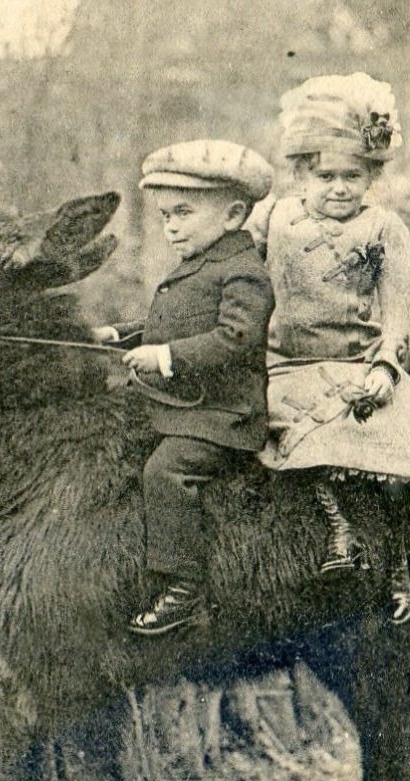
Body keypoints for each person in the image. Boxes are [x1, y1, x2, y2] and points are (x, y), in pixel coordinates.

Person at [248, 73, 410, 623]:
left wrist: (385, 367)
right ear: (301, 172)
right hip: (287, 364)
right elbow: (232, 281)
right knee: (293, 438)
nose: (340, 188)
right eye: (326, 176)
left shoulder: (382, 229)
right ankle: (336, 533)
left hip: (356, 363)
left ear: (371, 176)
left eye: (354, 176)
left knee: (394, 452)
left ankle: (395, 563)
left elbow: (399, 306)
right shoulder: (273, 219)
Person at [93, 140, 277, 636]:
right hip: (180, 404)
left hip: (219, 416)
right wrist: (120, 334)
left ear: (234, 213)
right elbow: (168, 322)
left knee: (165, 471)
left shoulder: (243, 273)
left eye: (182, 213)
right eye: (164, 215)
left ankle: (182, 587)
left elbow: (234, 339)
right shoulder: (199, 261)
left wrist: (167, 358)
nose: (170, 226)